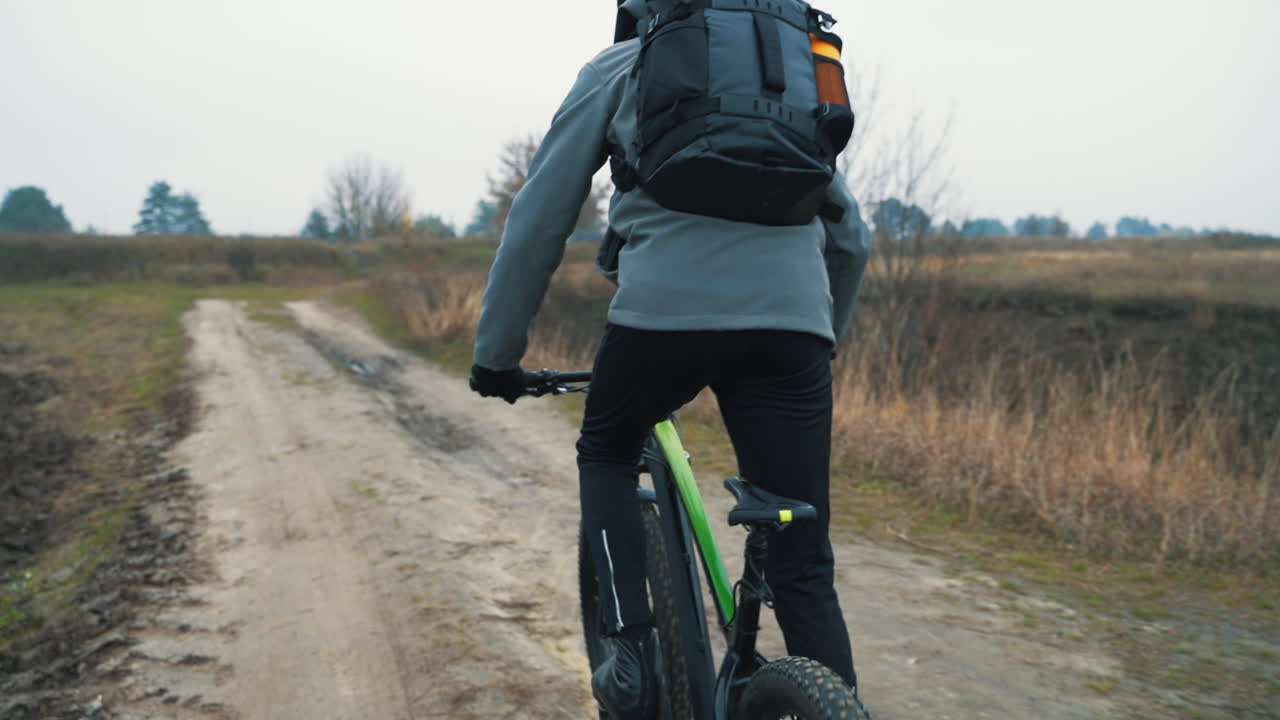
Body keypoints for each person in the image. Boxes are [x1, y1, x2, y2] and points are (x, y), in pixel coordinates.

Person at [470, 1, 872, 717]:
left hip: (663, 320)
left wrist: (497, 357)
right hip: (794, 328)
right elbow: (852, 242)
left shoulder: (621, 67)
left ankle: (627, 654)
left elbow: (540, 218)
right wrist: (817, 341)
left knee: (606, 450)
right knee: (805, 563)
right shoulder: (787, 81)